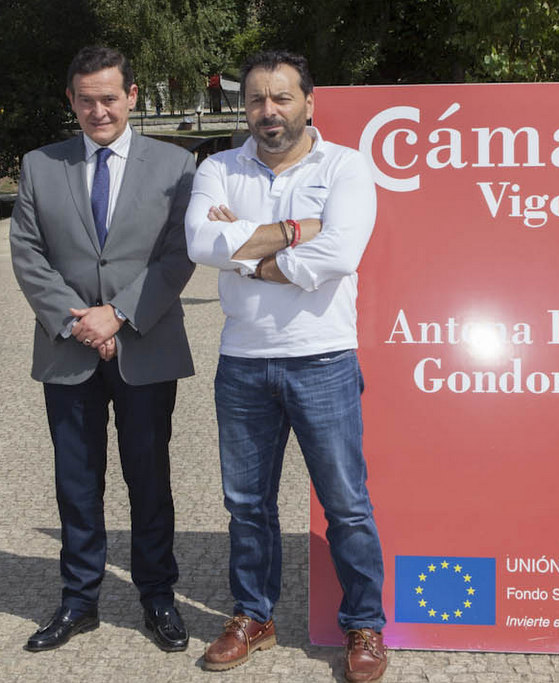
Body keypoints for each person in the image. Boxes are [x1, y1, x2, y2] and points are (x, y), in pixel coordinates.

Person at [184, 50, 387, 681]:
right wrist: (298, 229)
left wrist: (245, 249)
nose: (268, 111)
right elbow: (199, 242)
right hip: (243, 362)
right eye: (256, 100)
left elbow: (342, 253)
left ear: (309, 103)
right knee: (247, 504)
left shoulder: (346, 166)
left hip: (323, 358)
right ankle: (254, 616)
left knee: (345, 503)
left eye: (281, 98)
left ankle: (365, 624)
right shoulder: (218, 167)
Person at [9, 46, 196, 653]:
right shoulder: (40, 165)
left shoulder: (176, 165)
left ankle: (158, 595)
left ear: (132, 96)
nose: (99, 111)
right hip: (68, 349)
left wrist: (117, 315)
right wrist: (81, 325)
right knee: (76, 481)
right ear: (71, 99)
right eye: (86, 100)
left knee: (150, 477)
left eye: (109, 98)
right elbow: (28, 253)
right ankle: (78, 599)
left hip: (146, 345)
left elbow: (178, 255)